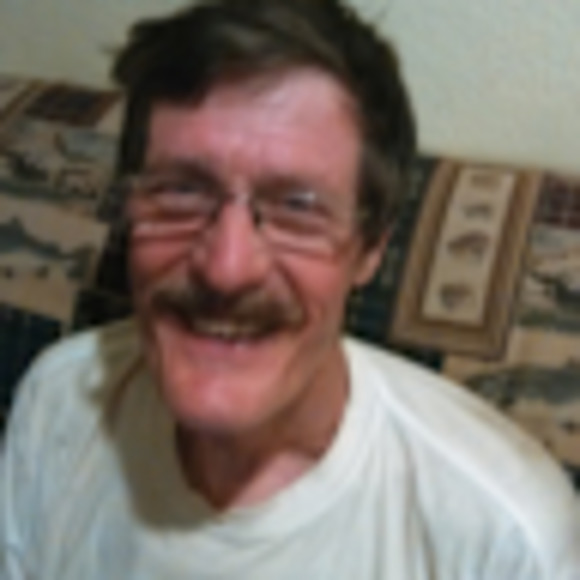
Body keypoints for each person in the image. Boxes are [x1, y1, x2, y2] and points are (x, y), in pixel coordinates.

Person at [1, 0, 579, 578]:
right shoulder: (58, 404)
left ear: (371, 247)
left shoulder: (504, 540)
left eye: (297, 207)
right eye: (181, 191)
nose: (227, 269)